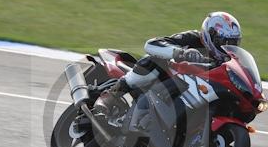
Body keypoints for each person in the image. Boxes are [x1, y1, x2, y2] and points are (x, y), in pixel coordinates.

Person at [95, 11, 242, 113]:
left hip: (191, 92)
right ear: (211, 36)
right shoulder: (192, 38)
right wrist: (181, 53)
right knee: (155, 60)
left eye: (233, 43)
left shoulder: (226, 60)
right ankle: (111, 95)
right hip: (164, 79)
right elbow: (151, 44)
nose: (227, 46)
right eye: (225, 42)